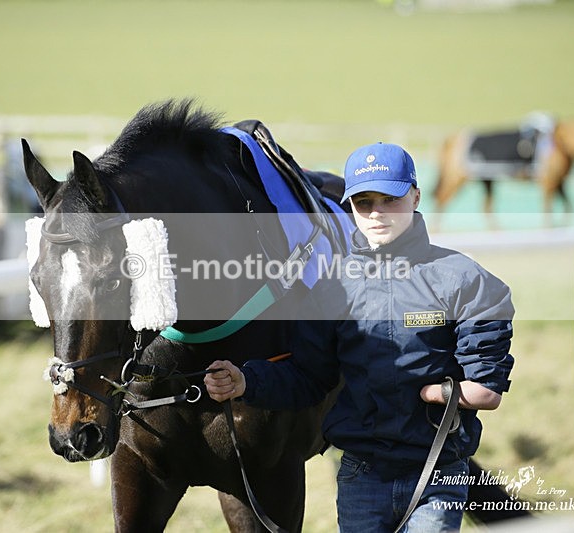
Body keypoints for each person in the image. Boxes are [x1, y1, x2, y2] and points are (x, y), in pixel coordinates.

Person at [205, 142, 515, 532]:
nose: (377, 213)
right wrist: (247, 381)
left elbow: (486, 389)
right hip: (361, 476)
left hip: (437, 473)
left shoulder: (466, 280)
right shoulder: (331, 286)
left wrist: (441, 393)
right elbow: (309, 377)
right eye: (364, 202)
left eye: (390, 199)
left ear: (416, 196)